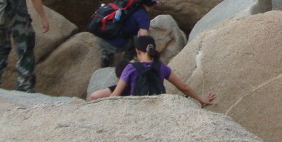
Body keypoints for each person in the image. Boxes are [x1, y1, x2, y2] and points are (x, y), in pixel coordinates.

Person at [88, 35, 216, 106]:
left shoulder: (130, 68)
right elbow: (183, 87)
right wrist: (201, 99)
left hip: (137, 106)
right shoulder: (161, 67)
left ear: (137, 51)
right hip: (158, 105)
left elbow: (115, 95)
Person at [94, 0, 160, 67]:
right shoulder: (143, 17)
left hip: (101, 35)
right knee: (135, 42)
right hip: (114, 44)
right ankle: (125, 62)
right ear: (153, 4)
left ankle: (106, 55)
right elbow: (143, 39)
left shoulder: (129, 3)